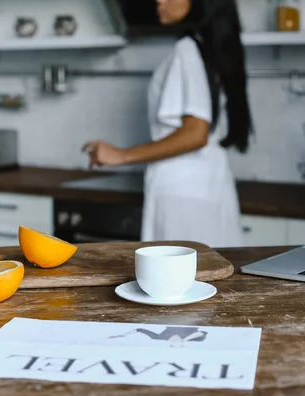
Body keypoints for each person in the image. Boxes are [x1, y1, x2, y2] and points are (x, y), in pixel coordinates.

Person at [83, 0, 253, 248]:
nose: (159, 0)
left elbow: (196, 133)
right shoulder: (209, 48)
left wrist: (121, 155)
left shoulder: (188, 50)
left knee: (180, 280)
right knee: (209, 276)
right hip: (207, 184)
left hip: (183, 192)